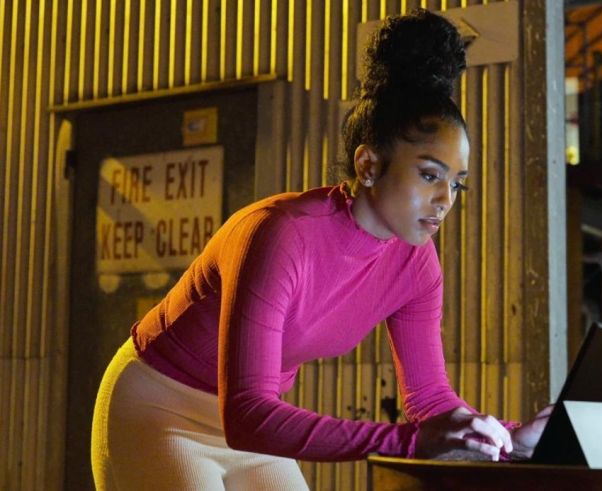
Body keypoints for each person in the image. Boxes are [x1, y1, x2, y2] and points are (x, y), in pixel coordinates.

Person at [91, 9, 551, 491]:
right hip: (160, 405)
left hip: (249, 434)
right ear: (369, 164)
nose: (445, 201)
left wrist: (508, 441)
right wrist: (410, 442)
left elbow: (430, 400)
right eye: (430, 175)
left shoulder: (417, 265)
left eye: (458, 185)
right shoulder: (279, 234)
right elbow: (248, 412)